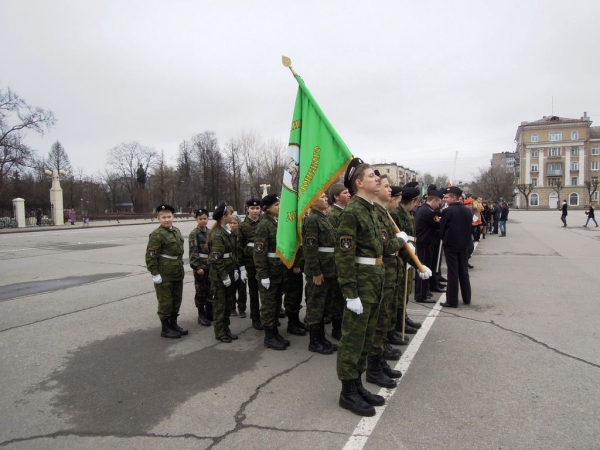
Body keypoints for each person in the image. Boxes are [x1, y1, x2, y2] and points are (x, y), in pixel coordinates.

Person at [145, 204, 188, 339]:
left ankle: (173, 323)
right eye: (164, 217)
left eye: (169, 216)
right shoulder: (157, 235)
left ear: (173, 217)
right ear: (158, 218)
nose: (167, 219)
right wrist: (155, 273)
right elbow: (151, 256)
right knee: (165, 302)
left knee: (176, 300)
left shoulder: (176, 231)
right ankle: (165, 328)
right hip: (164, 274)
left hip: (177, 271)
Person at [303, 192, 338, 355]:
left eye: (326, 196)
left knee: (324, 305)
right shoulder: (312, 220)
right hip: (319, 271)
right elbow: (310, 249)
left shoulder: (322, 217)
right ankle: (314, 341)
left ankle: (321, 338)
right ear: (313, 202)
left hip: (328, 269)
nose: (326, 199)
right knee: (315, 306)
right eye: (323, 197)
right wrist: (316, 272)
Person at [254, 194, 289, 351]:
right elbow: (259, 253)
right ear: (267, 209)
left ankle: (275, 332)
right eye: (276, 205)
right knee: (268, 305)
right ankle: (269, 336)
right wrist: (263, 275)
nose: (280, 207)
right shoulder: (263, 225)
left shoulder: (276, 223)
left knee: (276, 304)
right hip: (269, 272)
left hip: (278, 271)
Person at [390, 183, 422, 343]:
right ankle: (398, 321)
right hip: (401, 254)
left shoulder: (408, 214)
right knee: (400, 291)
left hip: (410, 253)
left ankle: (404, 316)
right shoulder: (396, 214)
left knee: (406, 289)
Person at [208, 203, 240, 343]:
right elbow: (215, 259)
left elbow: (231, 253)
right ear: (223, 216)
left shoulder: (226, 231)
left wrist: (236, 269)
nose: (231, 216)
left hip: (229, 271)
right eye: (229, 214)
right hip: (220, 276)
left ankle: (226, 329)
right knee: (220, 305)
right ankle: (220, 332)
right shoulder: (217, 234)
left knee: (228, 303)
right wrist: (224, 275)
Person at [326, 183, 351, 340]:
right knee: (337, 297)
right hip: (337, 262)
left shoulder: (346, 212)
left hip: (345, 261)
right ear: (336, 196)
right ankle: (337, 328)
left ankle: (342, 324)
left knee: (343, 295)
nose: (348, 194)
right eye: (345, 192)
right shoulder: (333, 216)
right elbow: (335, 241)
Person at [439, 187, 472, 308]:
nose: (446, 199)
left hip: (451, 245)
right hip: (464, 244)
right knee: (463, 271)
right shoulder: (467, 211)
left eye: (447, 197)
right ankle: (467, 297)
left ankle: (452, 300)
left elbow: (442, 229)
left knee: (452, 272)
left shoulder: (448, 211)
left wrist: (443, 239)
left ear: (454, 198)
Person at [414, 188, 444, 303]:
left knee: (426, 268)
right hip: (424, 243)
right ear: (435, 201)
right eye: (438, 203)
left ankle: (424, 291)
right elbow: (438, 224)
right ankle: (421, 294)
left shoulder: (423, 209)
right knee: (423, 269)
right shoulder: (428, 212)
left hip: (424, 242)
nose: (438, 206)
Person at [237, 198, 263, 330]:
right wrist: (241, 267)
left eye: (257, 208)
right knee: (253, 291)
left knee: (266, 290)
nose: (255, 211)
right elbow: (239, 247)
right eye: (252, 208)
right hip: (250, 262)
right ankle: (255, 317)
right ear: (247, 209)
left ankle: (267, 315)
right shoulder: (243, 226)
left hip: (263, 262)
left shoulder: (264, 223)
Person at [189, 209, 213, 326]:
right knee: (200, 291)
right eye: (200, 219)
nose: (203, 221)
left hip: (210, 265)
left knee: (210, 290)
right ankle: (201, 314)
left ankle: (209, 312)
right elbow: (193, 252)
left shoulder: (210, 232)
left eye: (205, 218)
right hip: (201, 266)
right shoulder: (194, 234)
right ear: (196, 220)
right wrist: (197, 267)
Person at [229, 215, 247, 318]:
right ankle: (232, 308)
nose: (233, 225)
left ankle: (242, 308)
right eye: (231, 223)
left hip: (242, 266)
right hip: (231, 266)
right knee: (232, 289)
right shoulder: (228, 236)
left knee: (242, 289)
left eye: (235, 223)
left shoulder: (241, 236)